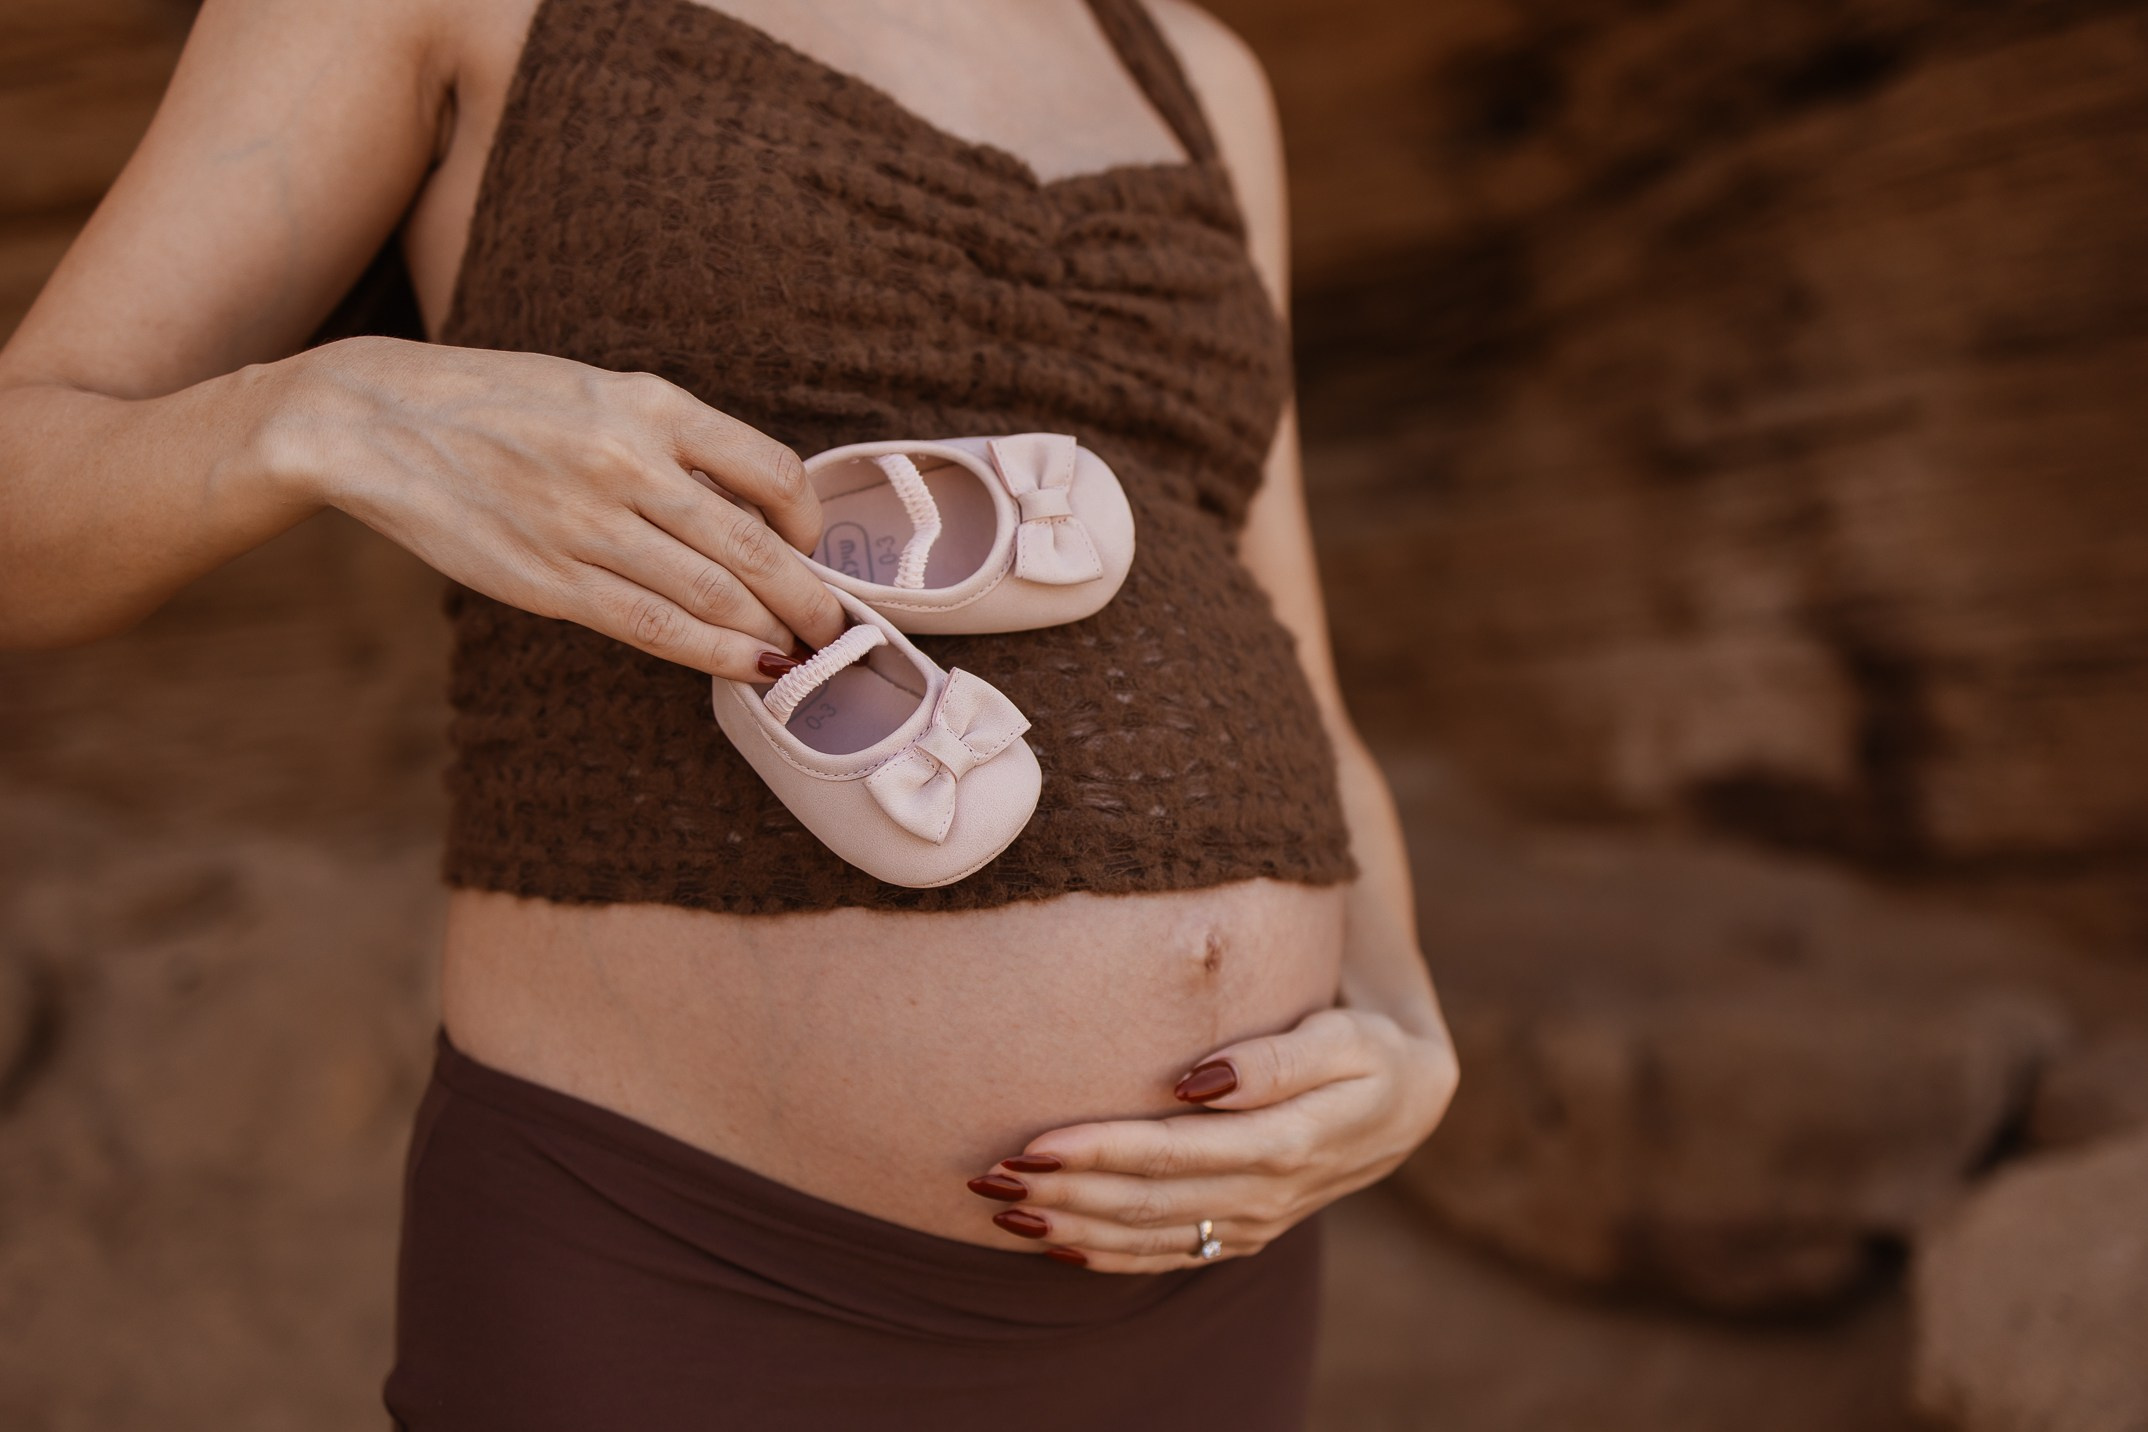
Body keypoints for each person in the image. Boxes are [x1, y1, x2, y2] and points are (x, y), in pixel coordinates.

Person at [0, 0, 1458, 1427]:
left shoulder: (1203, 73)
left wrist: (1404, 1033)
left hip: (1207, 1275)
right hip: (687, 1259)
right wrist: (329, 410)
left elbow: (1294, 671)